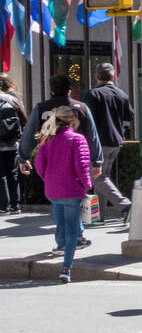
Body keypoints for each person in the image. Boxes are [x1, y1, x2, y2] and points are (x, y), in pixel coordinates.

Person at [32, 106, 92, 284]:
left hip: (52, 190)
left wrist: (48, 179)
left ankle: (60, 245)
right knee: (73, 230)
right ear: (72, 121)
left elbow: (39, 164)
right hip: (71, 190)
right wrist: (86, 185)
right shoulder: (77, 139)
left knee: (60, 223)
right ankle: (66, 269)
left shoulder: (47, 139)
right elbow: (81, 167)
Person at [83, 63, 134, 223]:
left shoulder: (94, 94)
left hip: (99, 142)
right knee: (102, 177)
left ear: (97, 77)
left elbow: (86, 120)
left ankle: (125, 205)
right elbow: (129, 116)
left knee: (98, 177)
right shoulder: (121, 94)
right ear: (112, 77)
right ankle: (99, 215)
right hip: (116, 141)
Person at [0, 75, 28, 213]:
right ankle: (15, 205)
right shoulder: (14, 100)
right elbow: (24, 118)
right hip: (12, 142)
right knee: (13, 174)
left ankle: (3, 206)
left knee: (1, 175)